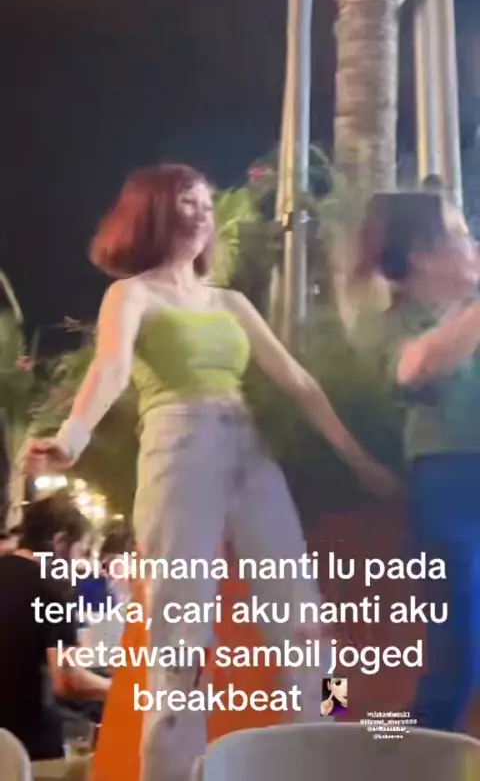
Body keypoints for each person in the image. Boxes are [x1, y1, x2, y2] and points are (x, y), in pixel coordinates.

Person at [22, 163, 399, 780]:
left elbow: (300, 383)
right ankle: (170, 770)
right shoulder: (133, 294)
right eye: (186, 203)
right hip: (179, 445)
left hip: (248, 447)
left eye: (204, 203)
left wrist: (359, 460)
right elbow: (111, 367)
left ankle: (325, 743)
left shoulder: (230, 302)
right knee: (180, 630)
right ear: (153, 214)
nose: (202, 215)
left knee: (304, 619)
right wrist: (72, 437)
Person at [353, 190, 480, 732]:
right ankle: (388, 749)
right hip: (450, 480)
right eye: (459, 234)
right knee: (458, 651)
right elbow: (417, 366)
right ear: (422, 254)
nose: (472, 244)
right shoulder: (394, 322)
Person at [0, 493, 110, 760]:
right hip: (24, 746)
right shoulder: (52, 588)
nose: (80, 565)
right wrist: (125, 689)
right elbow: (68, 681)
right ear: (60, 542)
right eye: (80, 552)